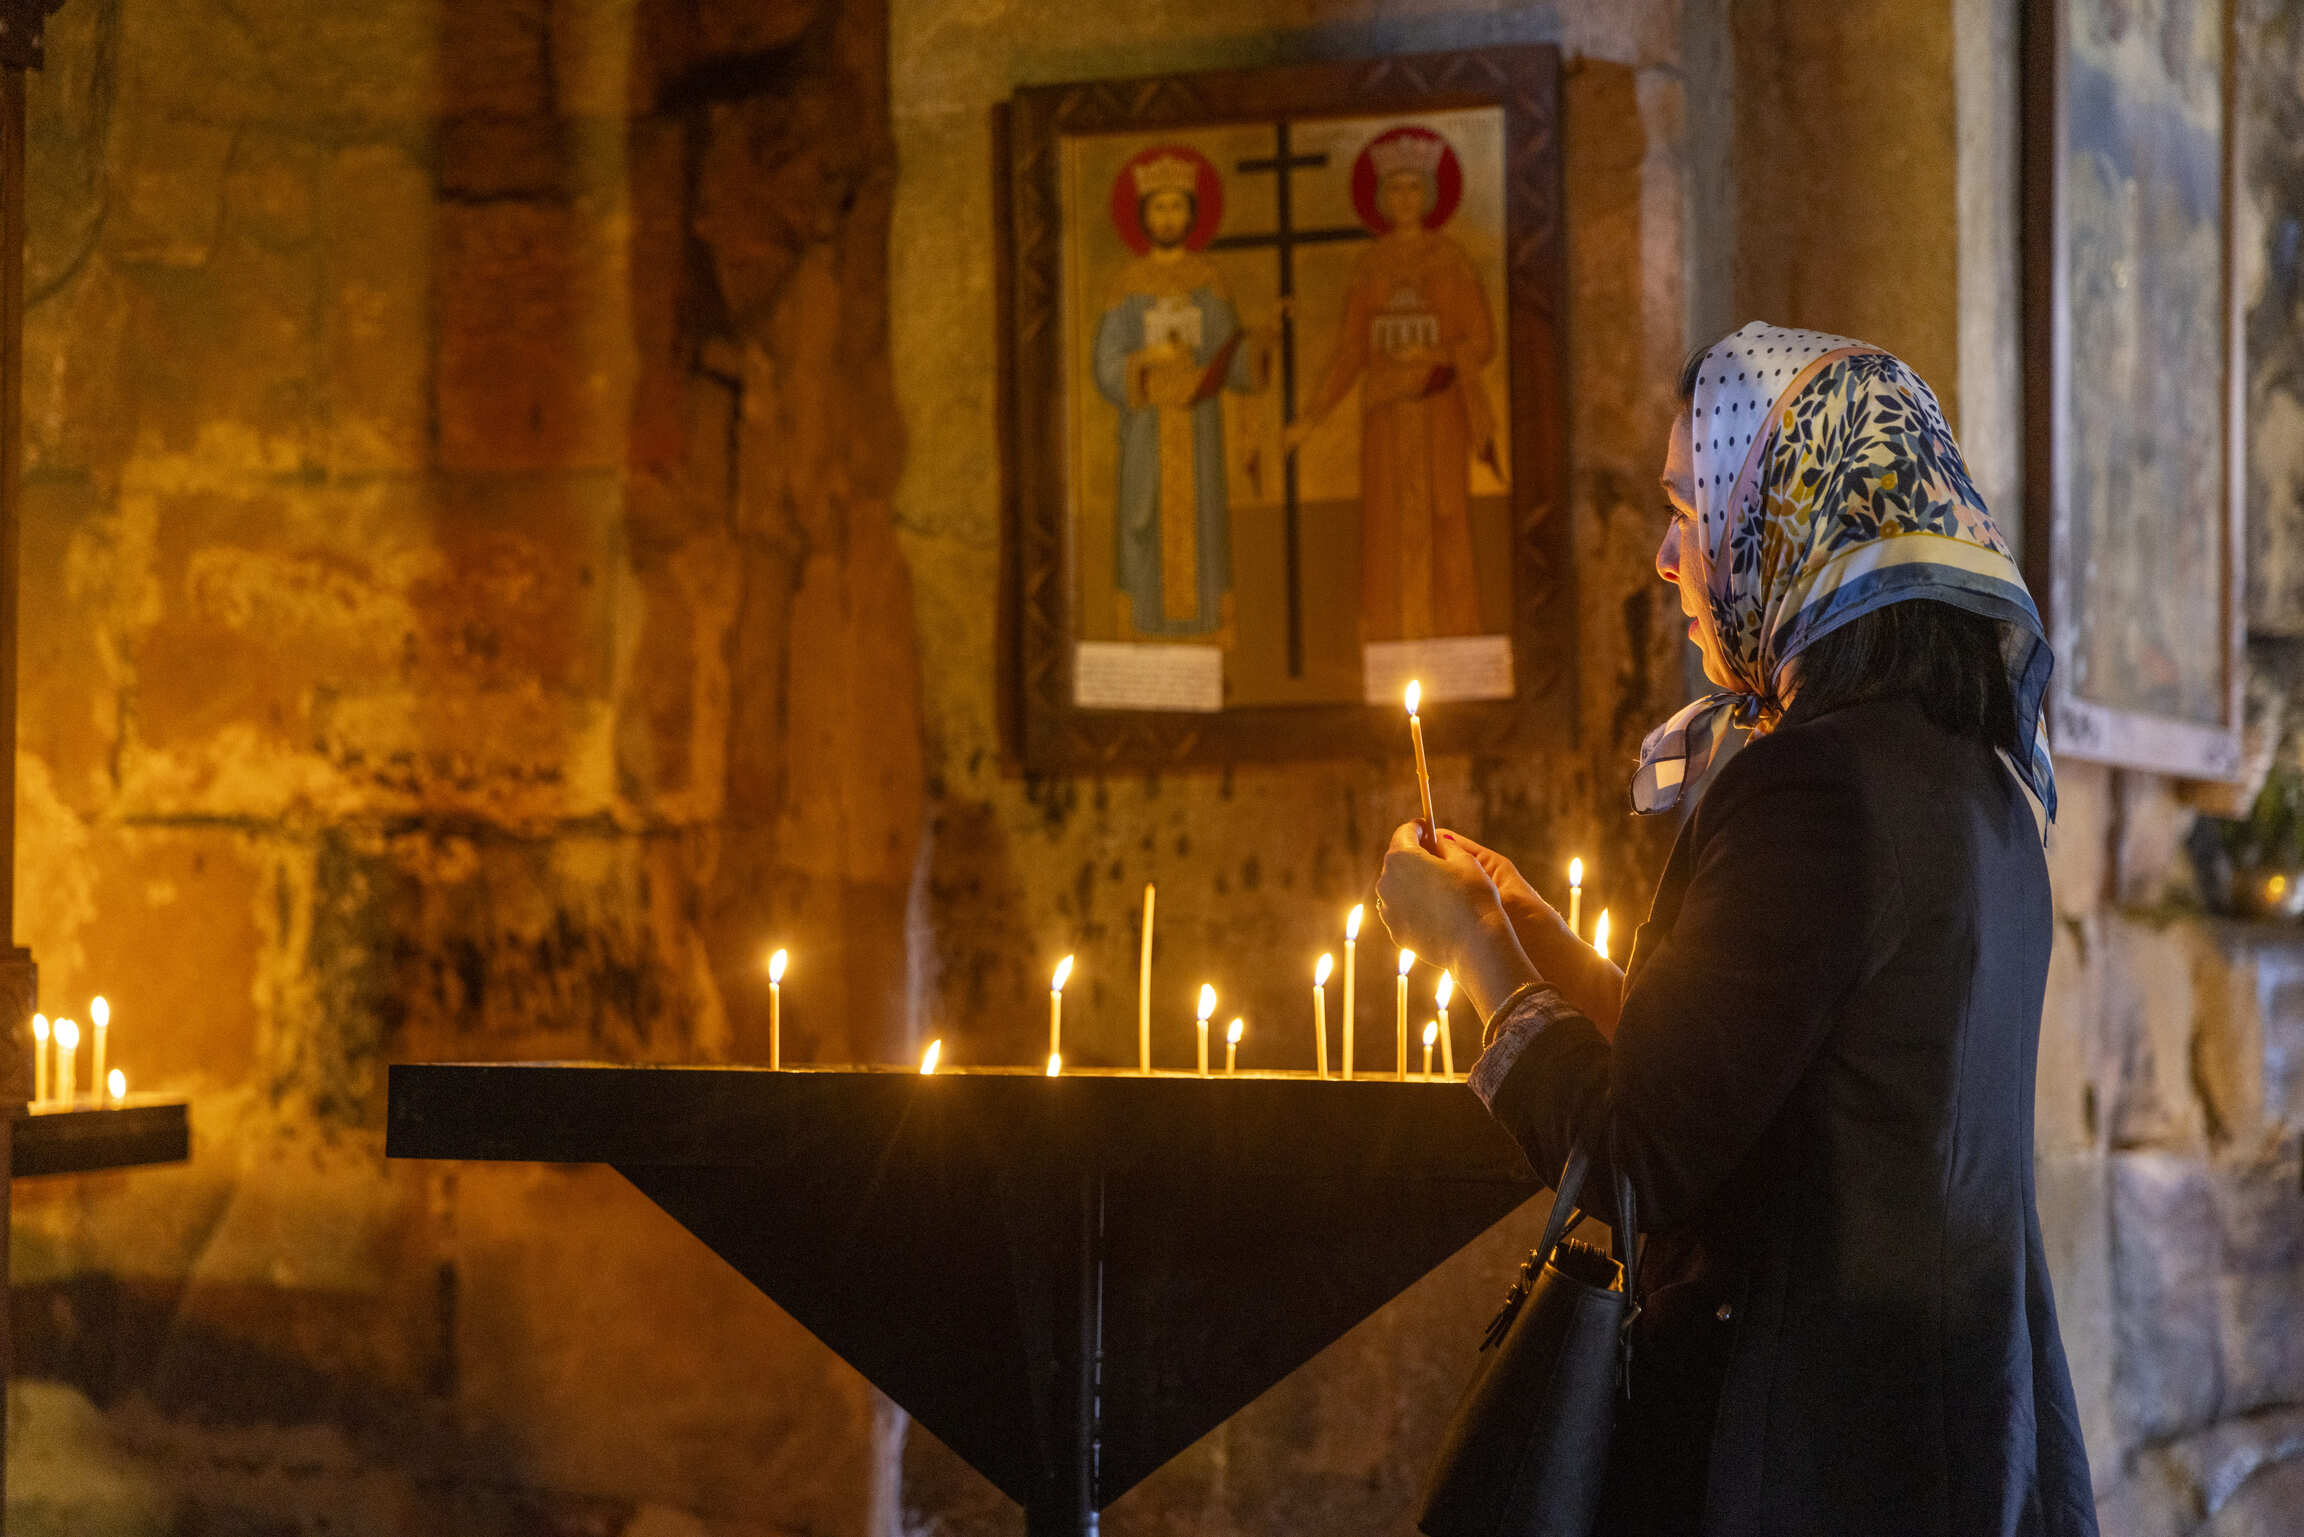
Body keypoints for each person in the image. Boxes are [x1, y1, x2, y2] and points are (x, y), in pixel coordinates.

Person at [1372, 323, 2099, 1536]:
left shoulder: (1807, 789)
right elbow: (1750, 1080)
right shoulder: (1978, 792)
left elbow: (1638, 1154)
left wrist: (1470, 956)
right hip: (1951, 1443)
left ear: (1788, 519)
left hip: (1796, 1455)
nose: (1668, 560)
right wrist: (1532, 928)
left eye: (1690, 510)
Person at [1285, 126, 1496, 642]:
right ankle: (1388, 639)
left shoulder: (1451, 261)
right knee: (1385, 527)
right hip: (1384, 419)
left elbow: (1482, 341)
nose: (1404, 198)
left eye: (1413, 187)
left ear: (1429, 195)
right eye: (1394, 189)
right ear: (1381, 198)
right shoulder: (1371, 266)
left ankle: (1455, 638)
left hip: (1438, 413)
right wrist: (1310, 418)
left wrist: (1432, 354)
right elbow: (1351, 351)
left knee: (1446, 517)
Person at [1093, 148, 1274, 641]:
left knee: (1203, 523)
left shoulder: (1208, 282)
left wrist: (1256, 346)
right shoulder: (1127, 286)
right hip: (1148, 424)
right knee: (1141, 517)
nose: (1168, 217)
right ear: (1142, 215)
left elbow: (1229, 358)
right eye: (1158, 207)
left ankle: (1207, 623)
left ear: (1192, 214)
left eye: (1176, 206)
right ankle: (1142, 623)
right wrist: (1145, 360)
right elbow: (1105, 363)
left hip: (1197, 425)